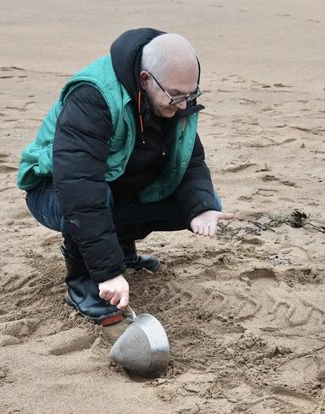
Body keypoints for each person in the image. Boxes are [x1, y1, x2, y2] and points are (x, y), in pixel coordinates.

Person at [16, 28, 235, 326]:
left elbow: (189, 160)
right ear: (145, 79)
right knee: (97, 196)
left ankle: (121, 251)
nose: (185, 105)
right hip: (52, 189)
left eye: (191, 94)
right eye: (176, 96)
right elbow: (79, 189)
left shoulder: (173, 93)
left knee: (202, 205)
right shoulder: (92, 97)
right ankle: (82, 281)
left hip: (105, 185)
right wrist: (107, 273)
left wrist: (201, 206)